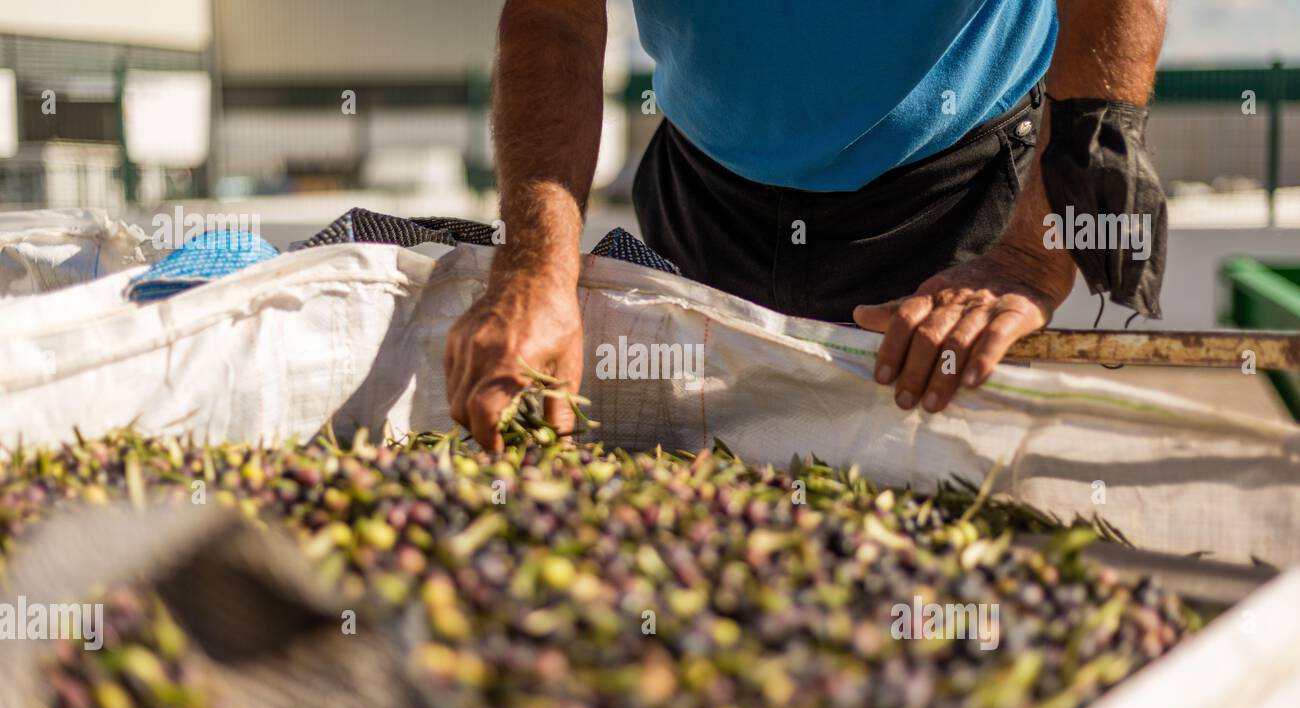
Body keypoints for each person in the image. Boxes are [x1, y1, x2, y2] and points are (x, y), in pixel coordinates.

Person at [446, 0, 1168, 450]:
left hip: (958, 208)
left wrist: (1032, 255)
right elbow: (556, 15)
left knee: (938, 503)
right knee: (687, 495)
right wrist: (535, 267)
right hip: (702, 200)